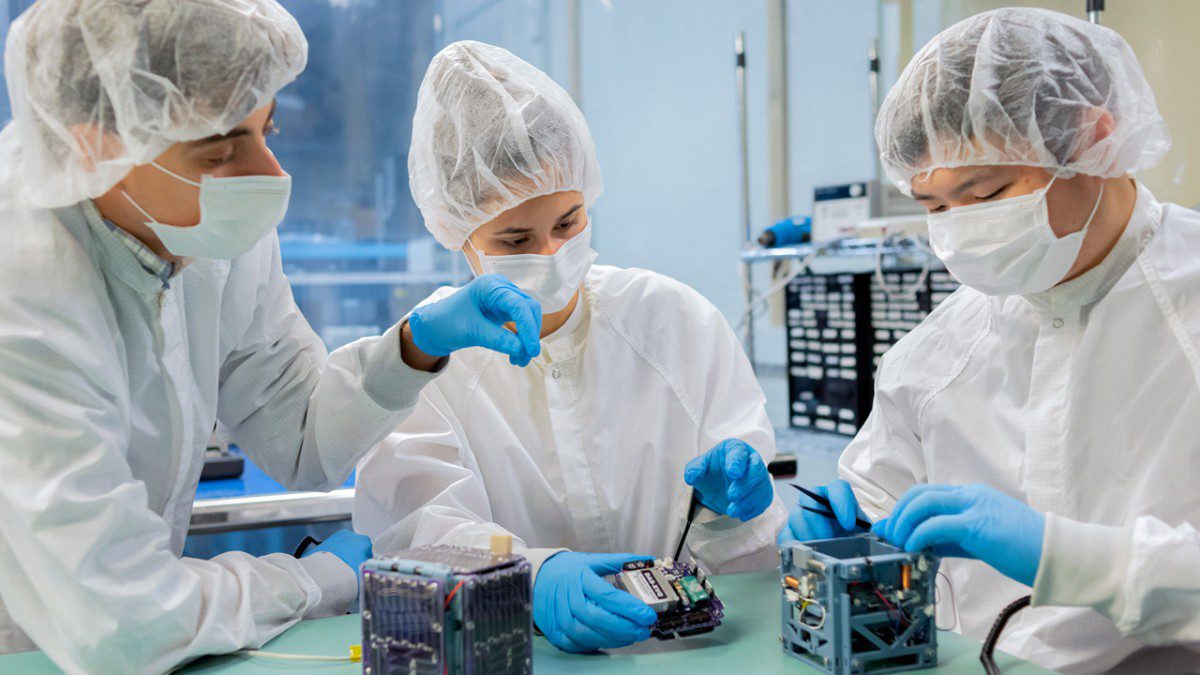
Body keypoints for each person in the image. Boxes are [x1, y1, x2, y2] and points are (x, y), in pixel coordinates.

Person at [0, 2, 542, 673]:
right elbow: (122, 617)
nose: (268, 174)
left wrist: (413, 346)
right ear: (97, 145)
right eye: (222, 147)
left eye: (267, 127)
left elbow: (302, 435)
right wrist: (315, 580)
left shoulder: (210, 226)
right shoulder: (21, 284)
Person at [780, 8, 1200, 674]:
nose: (960, 233)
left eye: (987, 193)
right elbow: (873, 495)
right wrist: (846, 535)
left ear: (1093, 139)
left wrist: (1061, 555)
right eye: (934, 207)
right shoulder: (932, 355)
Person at [354, 40, 786, 654]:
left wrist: (733, 511)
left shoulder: (676, 322)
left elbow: (746, 561)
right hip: (513, 654)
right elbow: (415, 537)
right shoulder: (425, 360)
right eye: (515, 239)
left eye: (568, 223)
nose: (552, 255)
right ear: (460, 234)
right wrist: (529, 578)